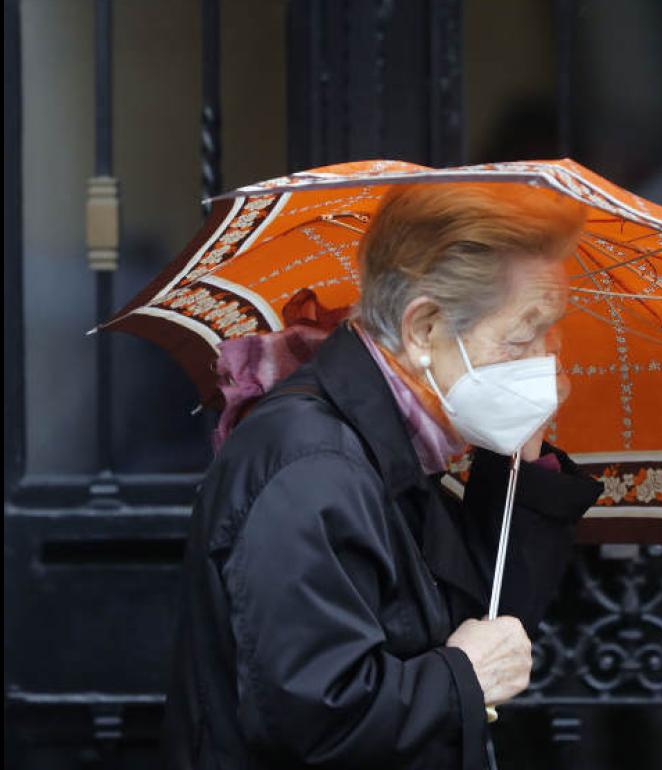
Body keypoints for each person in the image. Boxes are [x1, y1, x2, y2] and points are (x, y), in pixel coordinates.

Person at [162, 182, 605, 769]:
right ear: (424, 329)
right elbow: (310, 717)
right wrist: (460, 679)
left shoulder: (397, 442)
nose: (545, 362)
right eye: (523, 337)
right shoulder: (312, 466)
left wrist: (523, 460)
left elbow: (477, 616)